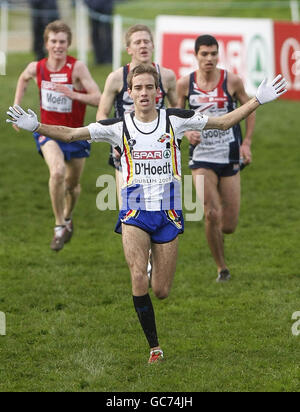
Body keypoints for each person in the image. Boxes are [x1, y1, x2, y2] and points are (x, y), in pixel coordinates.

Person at [7, 64, 287, 363]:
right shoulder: (118, 126)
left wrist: (257, 99)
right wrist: (36, 127)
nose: (143, 93)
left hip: (167, 210)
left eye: (149, 87)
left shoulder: (176, 120)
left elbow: (222, 123)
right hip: (134, 209)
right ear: (130, 93)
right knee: (138, 277)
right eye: (137, 88)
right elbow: (72, 134)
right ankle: (154, 348)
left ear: (158, 93)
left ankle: (154, 266)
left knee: (162, 290)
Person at [12, 20, 101, 251]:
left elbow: (98, 98)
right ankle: (59, 225)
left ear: (68, 44)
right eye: (53, 41)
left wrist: (73, 94)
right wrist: (17, 106)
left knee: (73, 185)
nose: (58, 46)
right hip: (47, 131)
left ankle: (68, 217)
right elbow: (23, 78)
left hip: (74, 134)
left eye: (62, 42)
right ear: (46, 43)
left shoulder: (77, 68)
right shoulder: (37, 67)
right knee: (58, 171)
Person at [176, 35, 256, 282]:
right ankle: (222, 268)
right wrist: (187, 132)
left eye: (213, 54)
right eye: (204, 54)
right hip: (201, 158)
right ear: (196, 55)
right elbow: (175, 116)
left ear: (218, 55)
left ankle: (218, 233)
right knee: (211, 213)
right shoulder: (184, 84)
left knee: (228, 225)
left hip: (229, 154)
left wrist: (246, 142)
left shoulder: (231, 81)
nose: (209, 59)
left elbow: (250, 107)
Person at [97, 24, 178, 205]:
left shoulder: (166, 76)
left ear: (153, 45)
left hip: (157, 149)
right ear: (129, 49)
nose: (143, 45)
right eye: (137, 42)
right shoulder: (116, 77)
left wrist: (176, 135)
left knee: (160, 206)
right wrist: (114, 140)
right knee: (128, 208)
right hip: (126, 147)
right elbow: (102, 112)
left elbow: (177, 107)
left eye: (146, 41)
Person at [84, 0, 114, 65]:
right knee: (95, 34)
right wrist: (89, 4)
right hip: (93, 8)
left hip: (106, 7)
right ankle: (98, 58)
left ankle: (108, 58)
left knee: (107, 34)